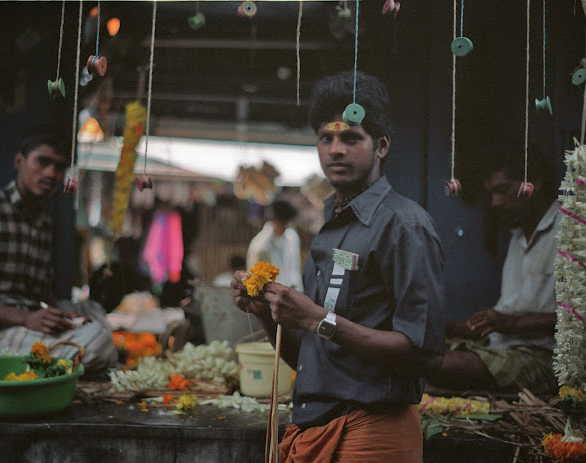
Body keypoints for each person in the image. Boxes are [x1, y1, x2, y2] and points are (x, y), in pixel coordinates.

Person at [231, 71, 445, 462]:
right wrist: (266, 312)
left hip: (372, 432)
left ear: (380, 146)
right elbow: (312, 359)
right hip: (314, 426)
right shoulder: (330, 227)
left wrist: (317, 319)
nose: (335, 150)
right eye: (326, 138)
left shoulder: (404, 224)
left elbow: (422, 353)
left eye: (351, 138)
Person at [0, 126, 118, 374]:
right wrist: (23, 317)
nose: (51, 173)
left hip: (26, 328)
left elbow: (42, 293)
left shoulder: (43, 223)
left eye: (60, 167)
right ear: (19, 161)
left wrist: (66, 317)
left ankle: (51, 366)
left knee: (97, 320)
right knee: (98, 343)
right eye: (42, 162)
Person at [426, 142, 559, 395]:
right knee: (421, 350)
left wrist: (513, 323)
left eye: (502, 190)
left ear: (535, 182)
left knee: (437, 366)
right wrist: (456, 328)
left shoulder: (570, 230)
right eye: (492, 193)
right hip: (501, 346)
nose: (496, 202)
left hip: (545, 358)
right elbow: (506, 316)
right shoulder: (518, 235)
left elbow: (577, 323)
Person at [246, 198, 304, 290]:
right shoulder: (260, 247)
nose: (286, 226)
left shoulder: (292, 237)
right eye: (283, 223)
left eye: (287, 222)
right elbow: (257, 282)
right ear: (273, 220)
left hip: (294, 294)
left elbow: (295, 270)